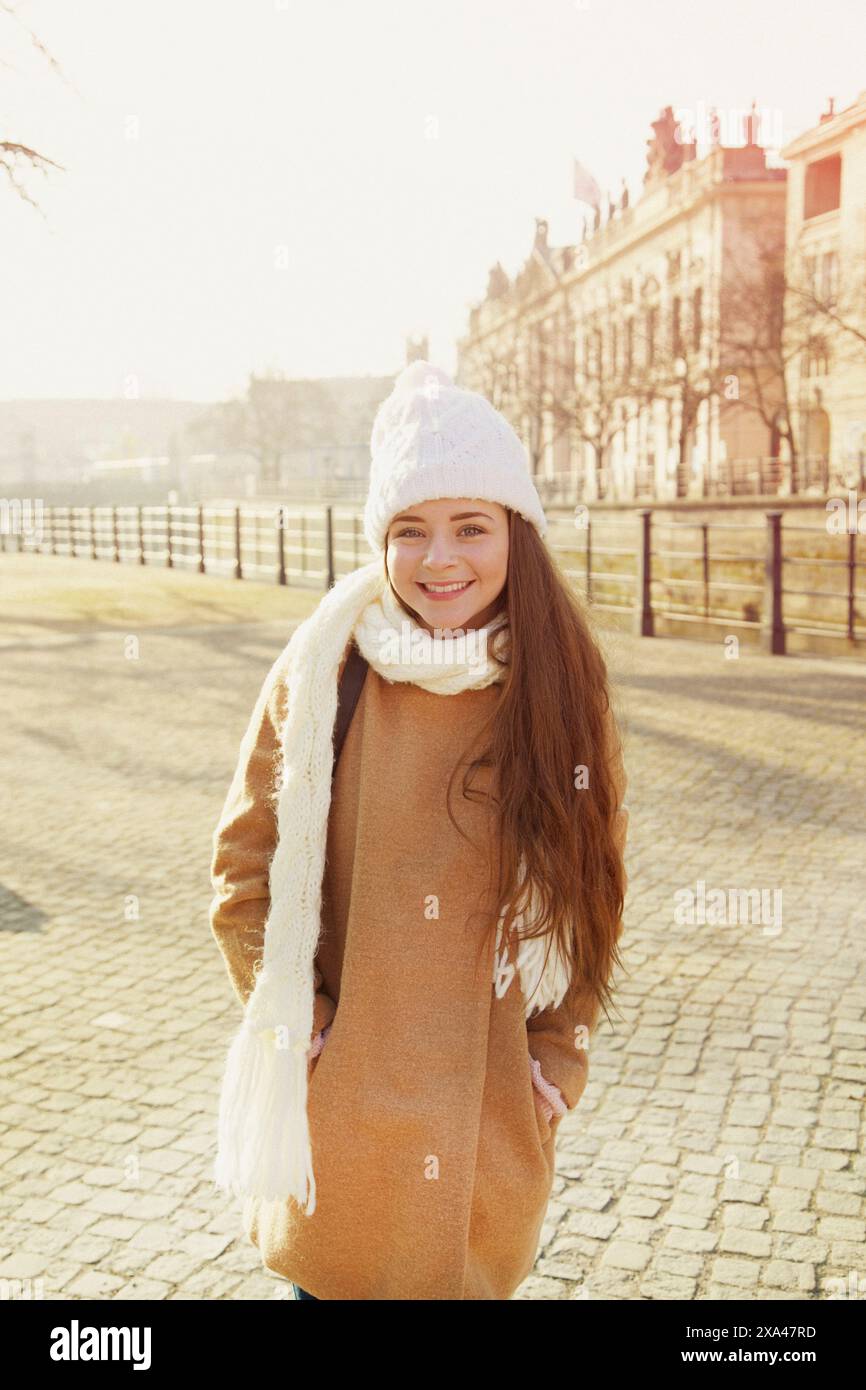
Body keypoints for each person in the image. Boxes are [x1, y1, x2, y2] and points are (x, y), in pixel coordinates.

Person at [208, 360, 629, 1300]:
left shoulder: (560, 687)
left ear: (515, 532)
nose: (441, 559)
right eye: (411, 531)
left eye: (471, 527)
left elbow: (592, 888)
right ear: (380, 540)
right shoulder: (324, 673)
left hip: (486, 1118)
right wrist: (303, 1025)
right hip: (342, 1122)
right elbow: (245, 872)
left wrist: (556, 1059)